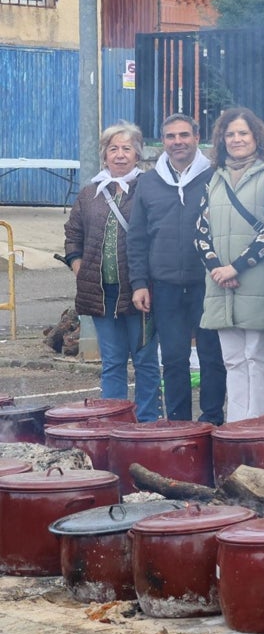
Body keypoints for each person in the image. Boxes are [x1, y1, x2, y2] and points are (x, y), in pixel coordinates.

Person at [128, 114, 225, 425]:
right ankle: (179, 424)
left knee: (212, 357)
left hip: (208, 283)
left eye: (184, 135)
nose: (178, 141)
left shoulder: (215, 177)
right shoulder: (148, 182)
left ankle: (212, 419)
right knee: (173, 360)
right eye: (171, 136)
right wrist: (139, 282)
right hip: (166, 286)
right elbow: (137, 237)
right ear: (163, 141)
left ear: (197, 137)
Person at [64, 122, 162, 422]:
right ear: (104, 155)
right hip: (101, 294)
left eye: (127, 149)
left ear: (138, 154)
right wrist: (78, 266)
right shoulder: (89, 193)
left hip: (139, 292)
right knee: (112, 362)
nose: (120, 155)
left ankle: (147, 422)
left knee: (145, 361)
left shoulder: (150, 188)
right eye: (113, 149)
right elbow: (73, 235)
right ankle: (114, 421)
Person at [195, 107, 264, 422]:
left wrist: (237, 267)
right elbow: (201, 231)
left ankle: (259, 425)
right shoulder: (213, 179)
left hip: (255, 280)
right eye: (230, 134)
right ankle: (236, 427)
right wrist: (217, 269)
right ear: (222, 139)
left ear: (256, 137)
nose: (237, 139)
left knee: (257, 358)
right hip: (219, 283)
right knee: (232, 359)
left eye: (243, 133)